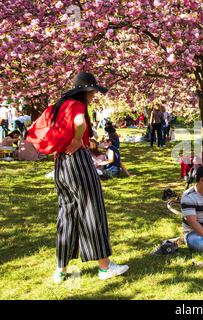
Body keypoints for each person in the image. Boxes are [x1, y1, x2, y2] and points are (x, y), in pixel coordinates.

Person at [26, 72, 129, 283]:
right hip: (78, 160)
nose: (93, 96)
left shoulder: (58, 106)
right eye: (92, 92)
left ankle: (61, 270)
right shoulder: (77, 105)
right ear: (84, 91)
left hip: (60, 164)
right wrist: (75, 139)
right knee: (93, 210)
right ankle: (104, 267)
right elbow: (80, 122)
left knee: (67, 214)